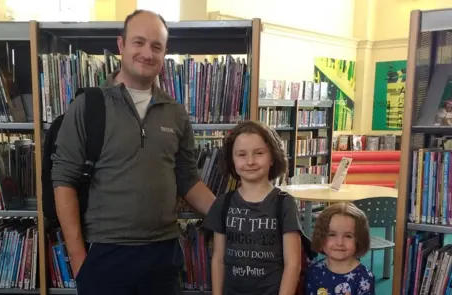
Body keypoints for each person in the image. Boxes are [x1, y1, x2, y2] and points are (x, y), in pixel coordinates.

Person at [51, 9, 216, 295]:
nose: (147, 53)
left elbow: (188, 180)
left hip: (163, 256)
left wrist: (235, 215)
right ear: (121, 45)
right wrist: (79, 258)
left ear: (164, 53)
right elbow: (63, 180)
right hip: (105, 254)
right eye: (138, 42)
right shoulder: (89, 106)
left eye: (157, 46)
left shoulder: (176, 114)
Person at [203, 121, 303, 295]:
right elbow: (218, 259)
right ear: (231, 159)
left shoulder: (284, 203)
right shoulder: (223, 203)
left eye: (259, 153)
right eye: (241, 154)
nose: (250, 161)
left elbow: (293, 263)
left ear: (272, 157)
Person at [306, 202, 375, 295]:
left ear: (359, 239)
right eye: (332, 235)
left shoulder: (364, 277)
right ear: (320, 236)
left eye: (348, 236)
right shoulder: (314, 271)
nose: (339, 243)